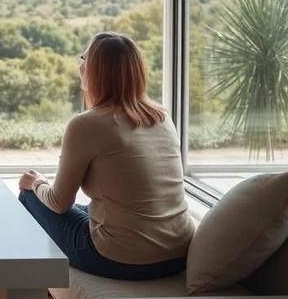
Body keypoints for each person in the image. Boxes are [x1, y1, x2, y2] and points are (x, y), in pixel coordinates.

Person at [17, 32, 194, 281]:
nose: (80, 65)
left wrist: (37, 183)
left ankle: (29, 288)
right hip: (178, 254)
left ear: (95, 71)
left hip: (123, 259)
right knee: (82, 209)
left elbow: (58, 202)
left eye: (84, 58)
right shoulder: (162, 117)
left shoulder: (86, 124)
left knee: (29, 197)